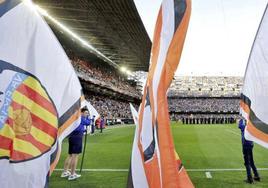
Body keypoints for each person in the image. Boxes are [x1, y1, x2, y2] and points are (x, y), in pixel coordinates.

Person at [61, 108, 91, 180]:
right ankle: (72, 174)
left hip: (72, 137)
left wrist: (83, 130)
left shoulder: (75, 118)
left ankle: (65, 171)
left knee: (70, 155)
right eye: (86, 113)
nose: (86, 114)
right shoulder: (81, 118)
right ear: (81, 113)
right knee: (75, 156)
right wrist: (90, 118)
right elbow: (88, 123)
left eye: (87, 113)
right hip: (77, 138)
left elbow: (77, 128)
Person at [238, 118, 260, 184]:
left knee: (247, 162)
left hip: (245, 144)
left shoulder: (243, 121)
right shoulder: (251, 122)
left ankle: (249, 178)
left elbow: (240, 126)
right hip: (251, 143)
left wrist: (241, 120)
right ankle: (256, 175)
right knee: (251, 161)